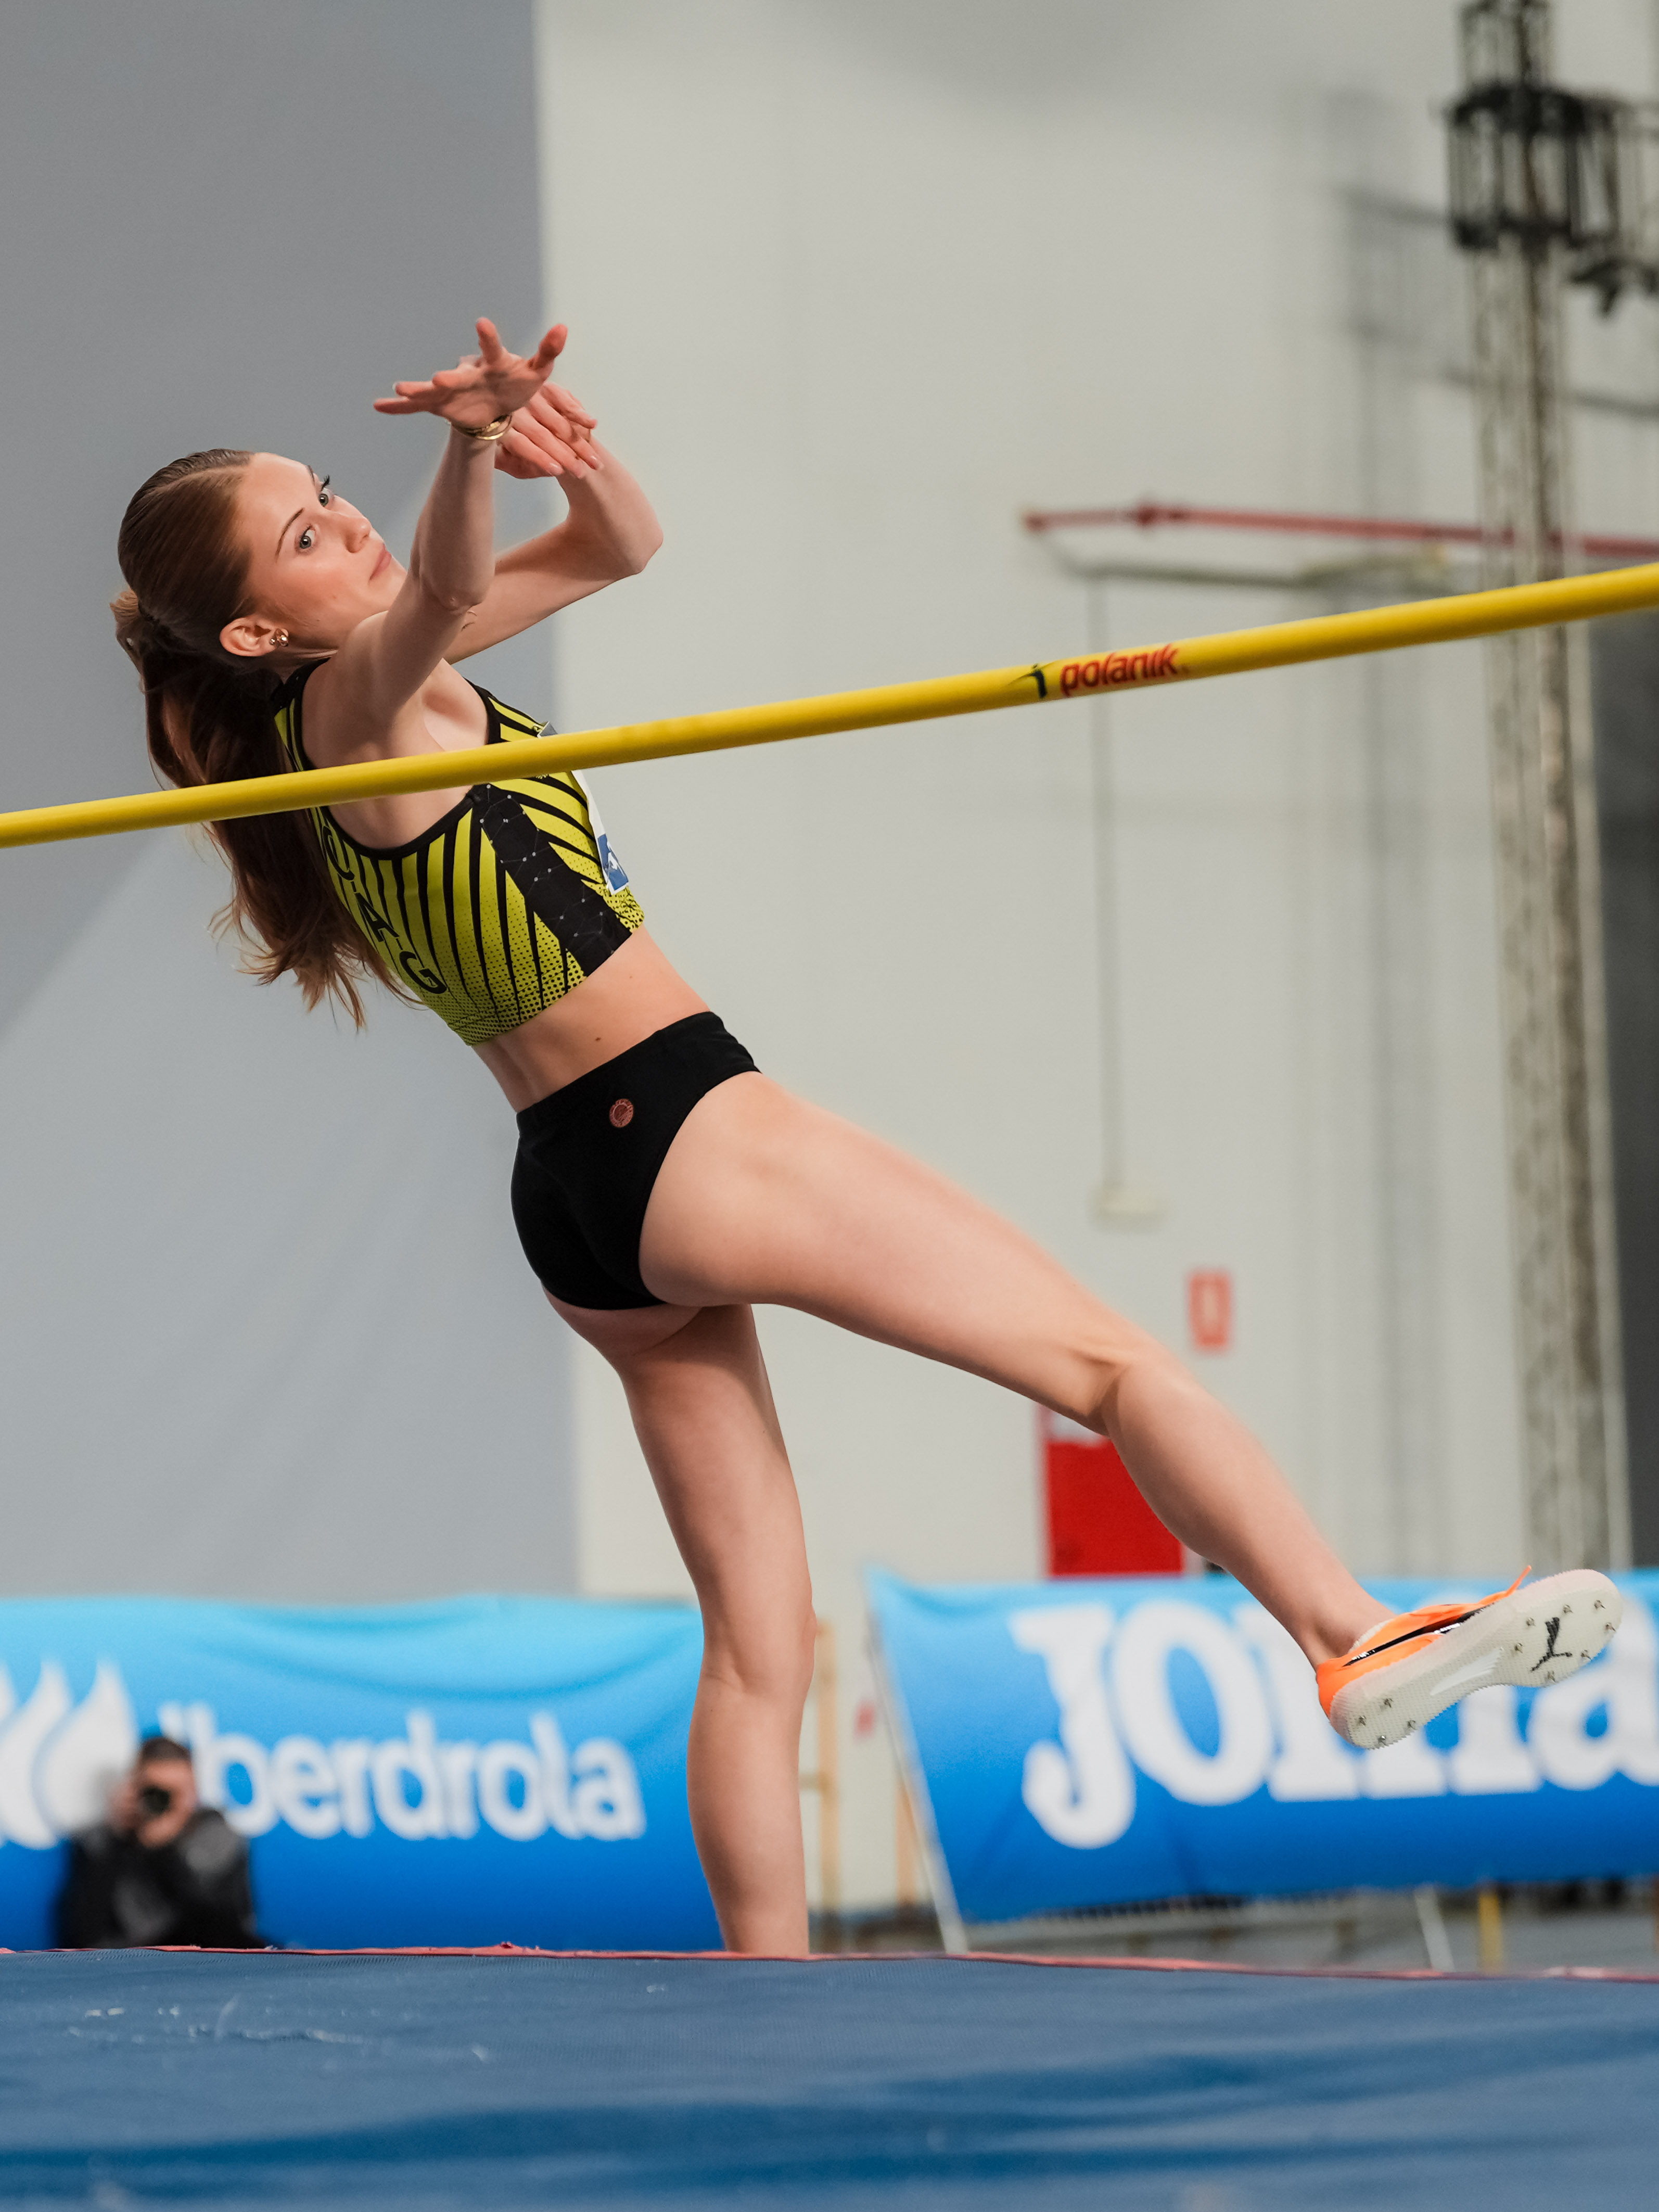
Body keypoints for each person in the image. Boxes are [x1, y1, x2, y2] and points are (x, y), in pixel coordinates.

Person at [111, 316, 1622, 1956]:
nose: (350, 523)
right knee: (1112, 1367)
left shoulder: (380, 695)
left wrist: (558, 448)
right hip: (681, 1123)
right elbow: (445, 590)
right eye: (308, 532)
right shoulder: (353, 708)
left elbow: (622, 545)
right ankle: (1345, 1633)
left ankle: (773, 1995)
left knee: (761, 1643)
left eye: (334, 493)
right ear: (257, 631)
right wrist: (471, 447)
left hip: (579, 1200)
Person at [56, 1735, 261, 1950]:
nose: (165, 1803)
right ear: (134, 1789)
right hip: (128, 1961)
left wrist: (162, 1851)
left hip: (200, 1960)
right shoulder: (103, 1842)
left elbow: (224, 1929)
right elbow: (84, 1937)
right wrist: (117, 1838)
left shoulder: (218, 1839)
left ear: (194, 1791)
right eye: (156, 1792)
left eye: (176, 1793)